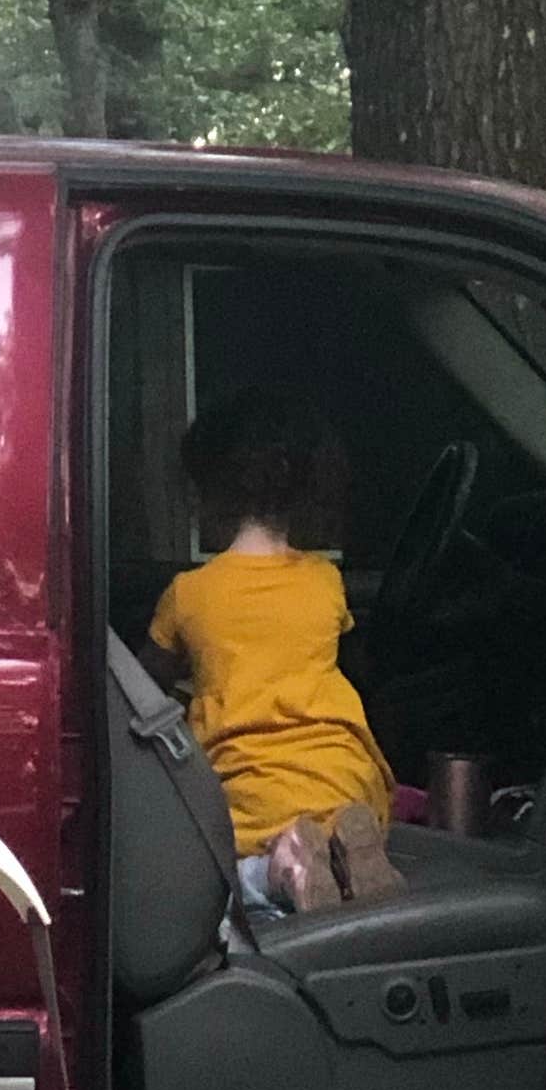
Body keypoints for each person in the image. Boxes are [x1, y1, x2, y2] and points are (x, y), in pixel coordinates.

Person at [146, 382, 400, 912]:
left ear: (207, 499)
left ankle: (283, 867)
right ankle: (351, 849)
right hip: (343, 774)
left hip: (251, 791)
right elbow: (352, 664)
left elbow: (147, 689)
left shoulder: (189, 595)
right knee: (340, 832)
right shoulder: (324, 580)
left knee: (237, 878)